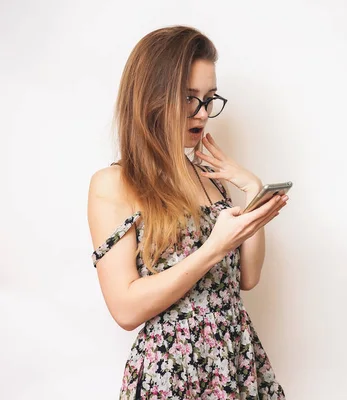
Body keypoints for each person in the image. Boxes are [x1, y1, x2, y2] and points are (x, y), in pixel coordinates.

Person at [87, 25, 288, 399]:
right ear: (150, 98)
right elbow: (126, 309)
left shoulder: (210, 178)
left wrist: (252, 190)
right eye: (188, 98)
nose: (202, 114)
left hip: (235, 357)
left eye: (209, 98)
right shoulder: (114, 184)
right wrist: (212, 249)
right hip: (173, 372)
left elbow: (247, 278)